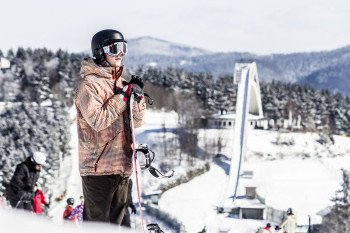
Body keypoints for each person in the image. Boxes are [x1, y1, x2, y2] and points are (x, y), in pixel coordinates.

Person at [75, 29, 146, 225]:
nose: (121, 53)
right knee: (98, 227)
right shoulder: (89, 85)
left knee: (117, 227)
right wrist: (123, 97)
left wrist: (137, 99)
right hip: (98, 169)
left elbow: (137, 122)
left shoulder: (121, 83)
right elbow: (98, 121)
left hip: (122, 166)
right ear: (100, 52)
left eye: (124, 48)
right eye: (115, 48)